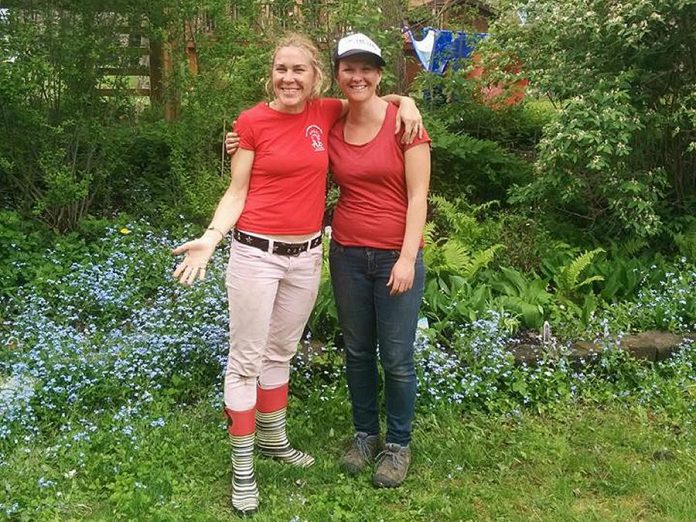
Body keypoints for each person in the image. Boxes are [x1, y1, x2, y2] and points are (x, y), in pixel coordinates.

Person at [173, 32, 422, 515]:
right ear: (272, 73)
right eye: (281, 69)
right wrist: (212, 235)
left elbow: (369, 92)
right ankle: (243, 468)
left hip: (307, 256)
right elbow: (236, 192)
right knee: (246, 359)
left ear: (315, 78)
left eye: (299, 70)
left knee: (280, 353)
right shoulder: (250, 122)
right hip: (255, 255)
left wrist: (406, 99)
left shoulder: (326, 111)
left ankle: (273, 439)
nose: (289, 78)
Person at [327, 33, 431, 488]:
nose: (358, 76)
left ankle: (398, 445)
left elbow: (418, 196)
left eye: (367, 68)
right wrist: (239, 140)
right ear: (338, 75)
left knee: (397, 357)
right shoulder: (332, 121)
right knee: (356, 352)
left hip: (395, 256)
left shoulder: (404, 124)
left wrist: (407, 258)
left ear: (379, 73)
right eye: (349, 67)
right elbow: (282, 127)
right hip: (347, 253)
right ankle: (366, 435)